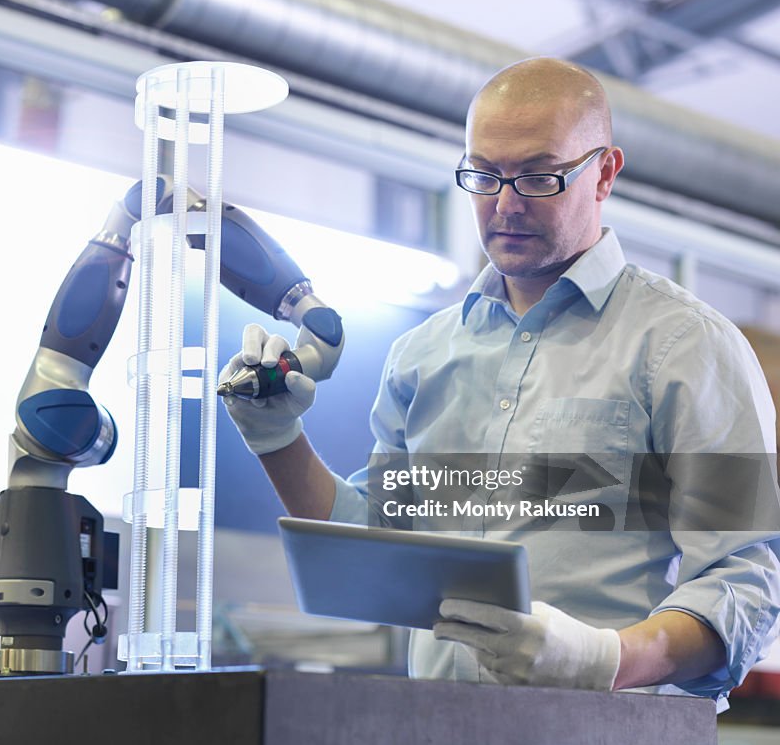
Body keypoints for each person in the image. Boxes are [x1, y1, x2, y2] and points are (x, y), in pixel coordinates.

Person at [219, 57, 780, 709]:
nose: (505, 204)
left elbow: (746, 581)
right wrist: (276, 436)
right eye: (483, 175)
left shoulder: (687, 346)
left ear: (604, 172)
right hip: (440, 725)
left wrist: (604, 659)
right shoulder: (423, 355)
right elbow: (374, 551)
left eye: (539, 176)